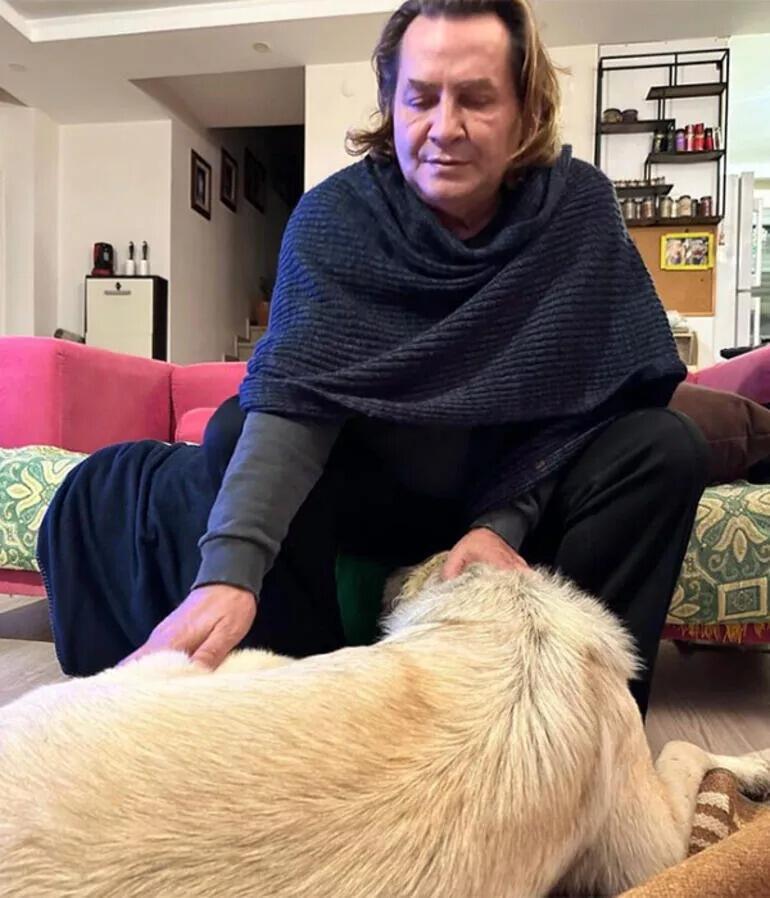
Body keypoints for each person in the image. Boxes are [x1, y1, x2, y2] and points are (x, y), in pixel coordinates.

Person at [39, 0, 709, 719]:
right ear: (391, 102)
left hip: (521, 483)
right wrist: (226, 576)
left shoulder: (578, 211)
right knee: (235, 426)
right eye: (420, 98)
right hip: (377, 489)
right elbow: (292, 405)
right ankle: (313, 712)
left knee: (666, 446)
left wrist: (502, 522)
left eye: (477, 99)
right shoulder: (334, 218)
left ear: (525, 109)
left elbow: (584, 405)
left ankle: (581, 725)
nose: (444, 127)